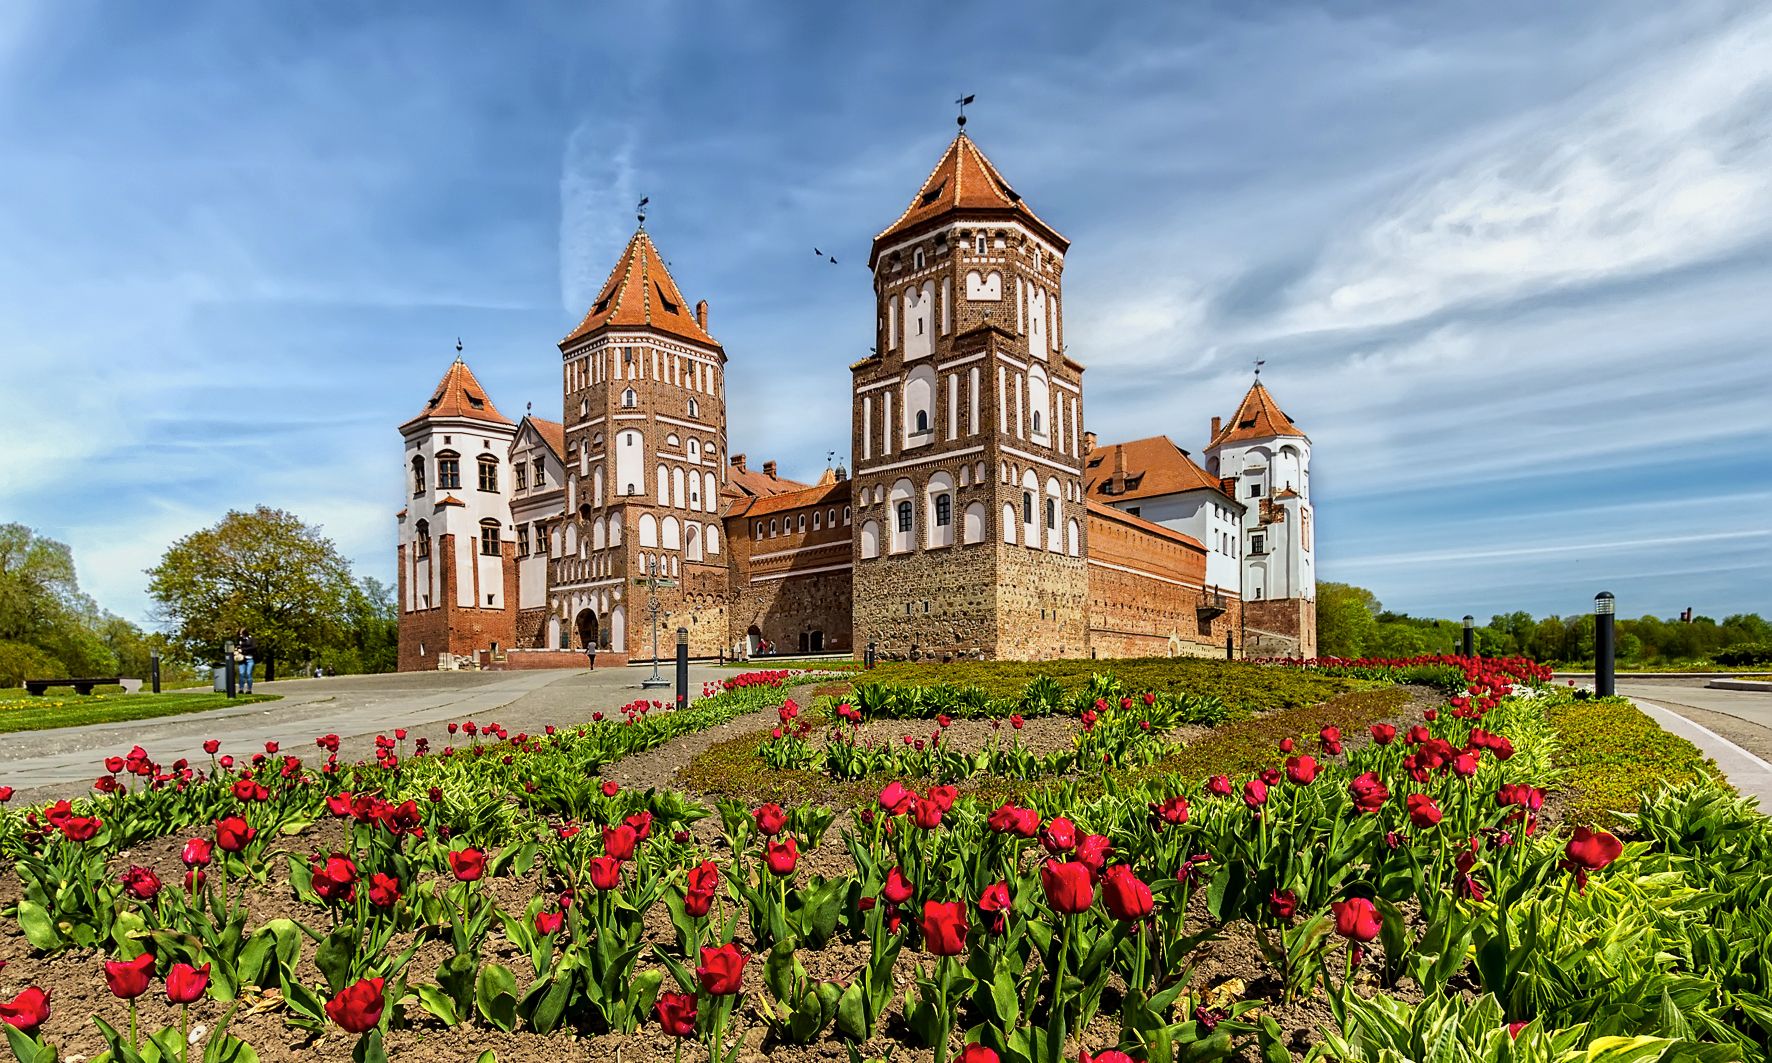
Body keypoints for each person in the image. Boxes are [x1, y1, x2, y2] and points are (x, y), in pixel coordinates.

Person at [237, 629, 256, 693]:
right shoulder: (240, 640)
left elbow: (254, 647)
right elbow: (238, 646)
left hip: (249, 659)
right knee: (241, 674)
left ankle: (249, 689)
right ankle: (241, 689)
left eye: (241, 634)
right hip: (241, 659)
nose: (241, 635)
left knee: (248, 674)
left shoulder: (251, 639)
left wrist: (242, 649)